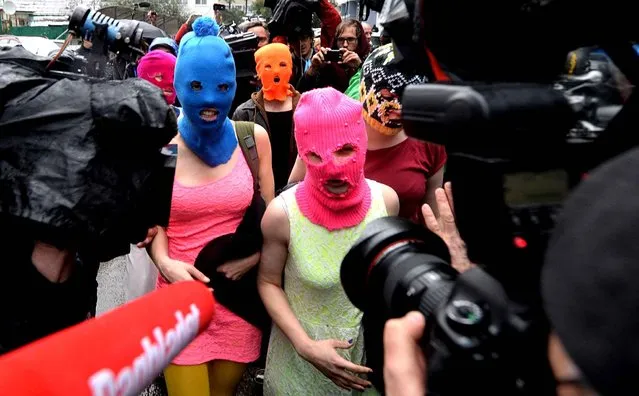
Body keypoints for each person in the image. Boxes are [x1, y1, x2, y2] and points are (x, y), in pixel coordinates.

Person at [147, 17, 274, 396]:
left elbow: (274, 221)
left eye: (222, 87)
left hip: (237, 306)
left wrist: (251, 261)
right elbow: (152, 225)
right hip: (179, 303)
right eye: (197, 86)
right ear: (179, 85)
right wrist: (167, 264)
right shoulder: (163, 145)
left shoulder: (253, 141)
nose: (209, 100)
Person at [258, 87, 399, 395]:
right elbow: (268, 282)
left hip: (367, 369)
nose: (332, 167)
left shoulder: (386, 202)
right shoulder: (282, 215)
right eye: (315, 155)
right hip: (298, 369)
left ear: (361, 144)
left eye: (344, 150)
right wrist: (304, 345)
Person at [291, 43, 447, 224]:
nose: (398, 110)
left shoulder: (428, 138)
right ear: (365, 91)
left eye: (410, 99)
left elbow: (433, 214)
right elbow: (293, 189)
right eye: (388, 97)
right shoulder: (331, 123)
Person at [233, 43, 301, 192]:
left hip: (297, 191)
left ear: (291, 69)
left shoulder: (306, 108)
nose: (276, 71)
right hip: (259, 192)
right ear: (258, 71)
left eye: (283, 65)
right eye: (268, 66)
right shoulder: (245, 113)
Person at [298, 18, 370, 93]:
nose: (345, 45)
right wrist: (313, 69)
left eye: (350, 39)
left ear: (359, 41)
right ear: (336, 41)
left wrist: (360, 67)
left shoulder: (368, 63)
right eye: (341, 40)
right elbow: (301, 94)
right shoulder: (327, 66)